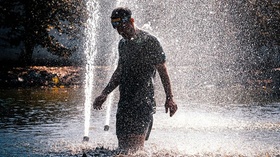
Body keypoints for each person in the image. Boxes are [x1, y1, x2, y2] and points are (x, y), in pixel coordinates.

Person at [92, 7, 177, 153]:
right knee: (123, 149)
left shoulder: (150, 41)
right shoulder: (123, 44)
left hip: (143, 102)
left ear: (131, 21)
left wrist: (170, 98)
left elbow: (163, 71)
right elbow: (119, 71)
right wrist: (104, 93)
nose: (120, 32)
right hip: (125, 102)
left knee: (134, 151)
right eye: (117, 28)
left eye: (122, 27)